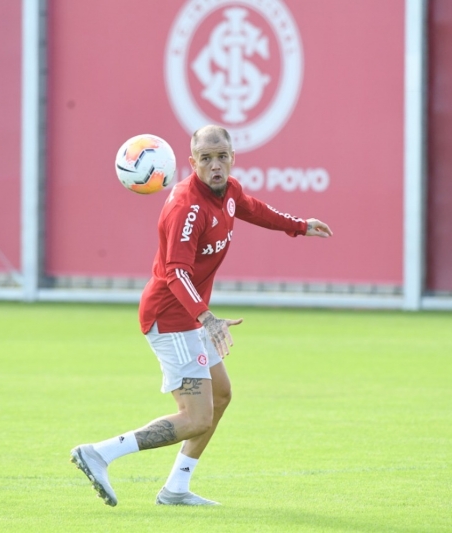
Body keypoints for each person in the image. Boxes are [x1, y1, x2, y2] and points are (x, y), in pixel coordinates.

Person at [71, 125, 332, 506]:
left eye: (222, 156)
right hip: (169, 318)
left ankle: (176, 488)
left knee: (222, 395)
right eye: (206, 158)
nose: (215, 165)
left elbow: (254, 209)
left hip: (188, 317)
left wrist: (299, 226)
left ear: (232, 158)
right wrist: (207, 317)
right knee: (195, 418)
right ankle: (100, 453)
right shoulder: (185, 207)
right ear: (192, 163)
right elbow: (177, 272)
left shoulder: (228, 192)